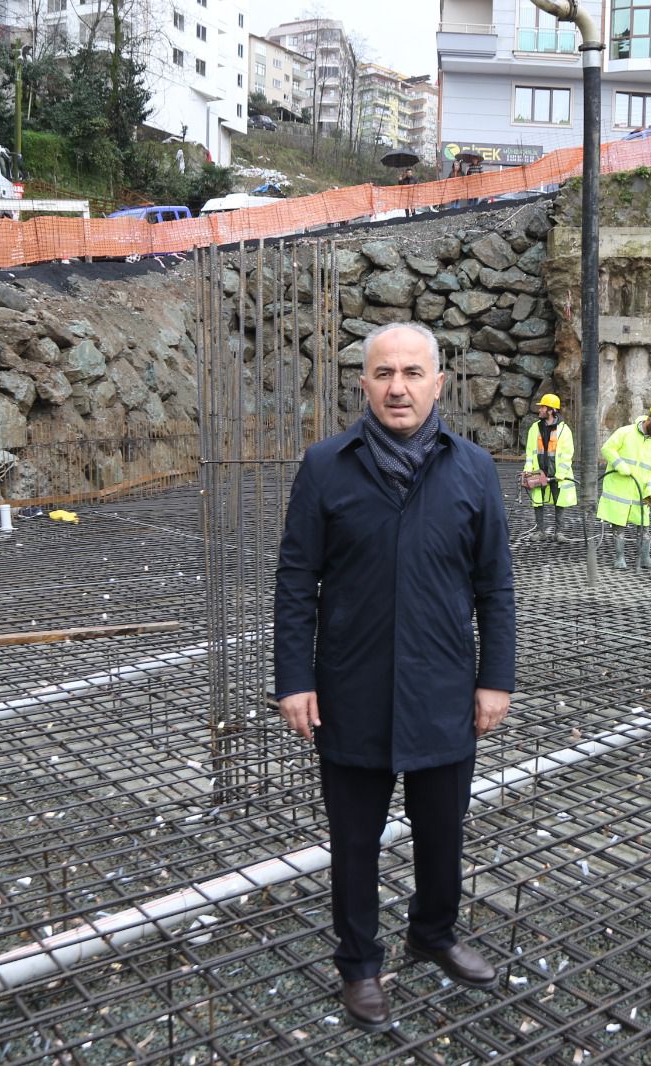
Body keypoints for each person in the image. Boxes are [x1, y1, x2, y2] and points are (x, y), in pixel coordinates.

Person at [273, 321, 515, 1032]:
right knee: (354, 841)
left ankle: (433, 935)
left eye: (413, 372)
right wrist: (294, 679)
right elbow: (296, 583)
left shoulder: (472, 469)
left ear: (439, 384)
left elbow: (495, 587)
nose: (399, 387)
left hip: (443, 691)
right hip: (352, 692)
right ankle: (360, 966)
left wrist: (495, 678)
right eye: (385, 373)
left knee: (444, 831)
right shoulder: (325, 466)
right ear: (363, 384)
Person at [597, 402, 651, 569]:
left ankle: (645, 558)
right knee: (619, 525)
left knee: (644, 526)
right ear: (650, 419)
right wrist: (620, 465)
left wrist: (650, 491)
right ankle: (619, 558)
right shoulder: (625, 432)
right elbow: (607, 448)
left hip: (641, 491)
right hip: (619, 489)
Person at [523, 393, 576, 541]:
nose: (539, 409)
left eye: (543, 407)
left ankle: (559, 533)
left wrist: (561, 473)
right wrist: (528, 470)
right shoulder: (535, 428)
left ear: (551, 410)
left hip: (556, 474)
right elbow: (530, 452)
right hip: (539, 472)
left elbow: (567, 453)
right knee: (538, 500)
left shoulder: (564, 430)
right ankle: (541, 531)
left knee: (559, 502)